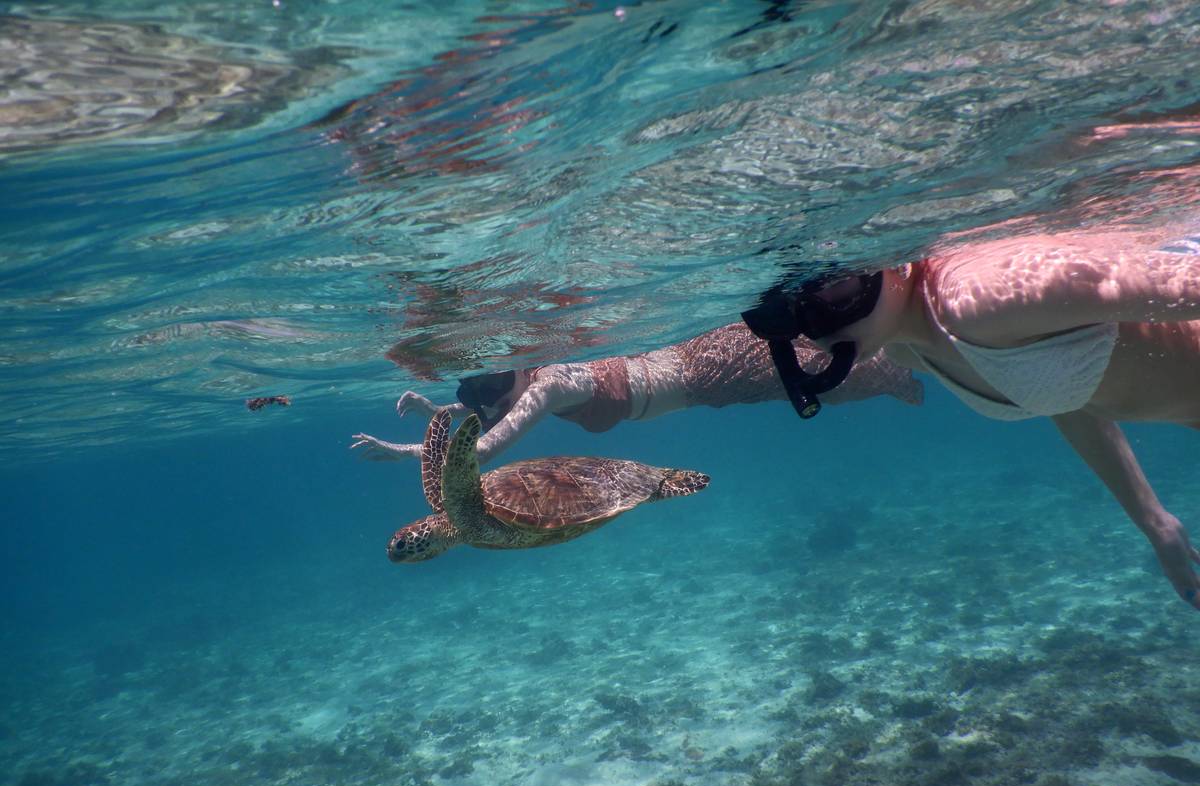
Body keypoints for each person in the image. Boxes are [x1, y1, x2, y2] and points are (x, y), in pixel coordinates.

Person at [739, 229, 1200, 608]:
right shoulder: (907, 342)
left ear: (891, 256)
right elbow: (1062, 391)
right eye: (790, 305)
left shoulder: (982, 294)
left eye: (831, 284)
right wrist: (1153, 520)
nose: (818, 321)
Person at [350, 322, 923, 465]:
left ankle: (901, 368)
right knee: (810, 367)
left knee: (818, 375)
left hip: (708, 372)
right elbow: (487, 415)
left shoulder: (547, 385)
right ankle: (896, 362)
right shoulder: (536, 382)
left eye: (499, 378)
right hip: (703, 367)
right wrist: (434, 413)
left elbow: (483, 449)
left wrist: (401, 452)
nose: (505, 385)